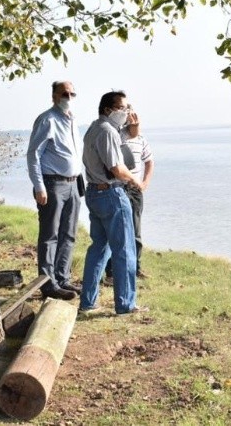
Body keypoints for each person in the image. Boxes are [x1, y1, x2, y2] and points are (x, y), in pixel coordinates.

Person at [79, 90, 149, 315]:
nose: (126, 112)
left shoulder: (94, 128)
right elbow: (116, 168)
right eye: (123, 108)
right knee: (125, 250)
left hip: (94, 193)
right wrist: (135, 180)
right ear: (108, 109)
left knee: (99, 248)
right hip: (111, 195)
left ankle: (88, 301)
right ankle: (125, 304)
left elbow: (125, 137)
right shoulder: (107, 131)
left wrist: (133, 128)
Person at [26, 80, 84, 300]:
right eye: (64, 94)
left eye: (71, 93)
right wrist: (39, 187)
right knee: (50, 235)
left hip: (73, 183)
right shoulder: (47, 120)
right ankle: (48, 284)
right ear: (54, 96)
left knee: (68, 234)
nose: (68, 97)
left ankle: (63, 278)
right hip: (53, 184)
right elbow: (33, 155)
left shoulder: (72, 120)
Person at [103, 107, 154, 283]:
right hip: (119, 188)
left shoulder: (141, 139)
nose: (130, 117)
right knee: (117, 232)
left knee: (136, 232)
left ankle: (136, 268)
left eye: (132, 114)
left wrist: (145, 182)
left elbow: (149, 162)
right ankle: (111, 272)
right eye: (127, 114)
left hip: (136, 190)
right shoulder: (116, 135)